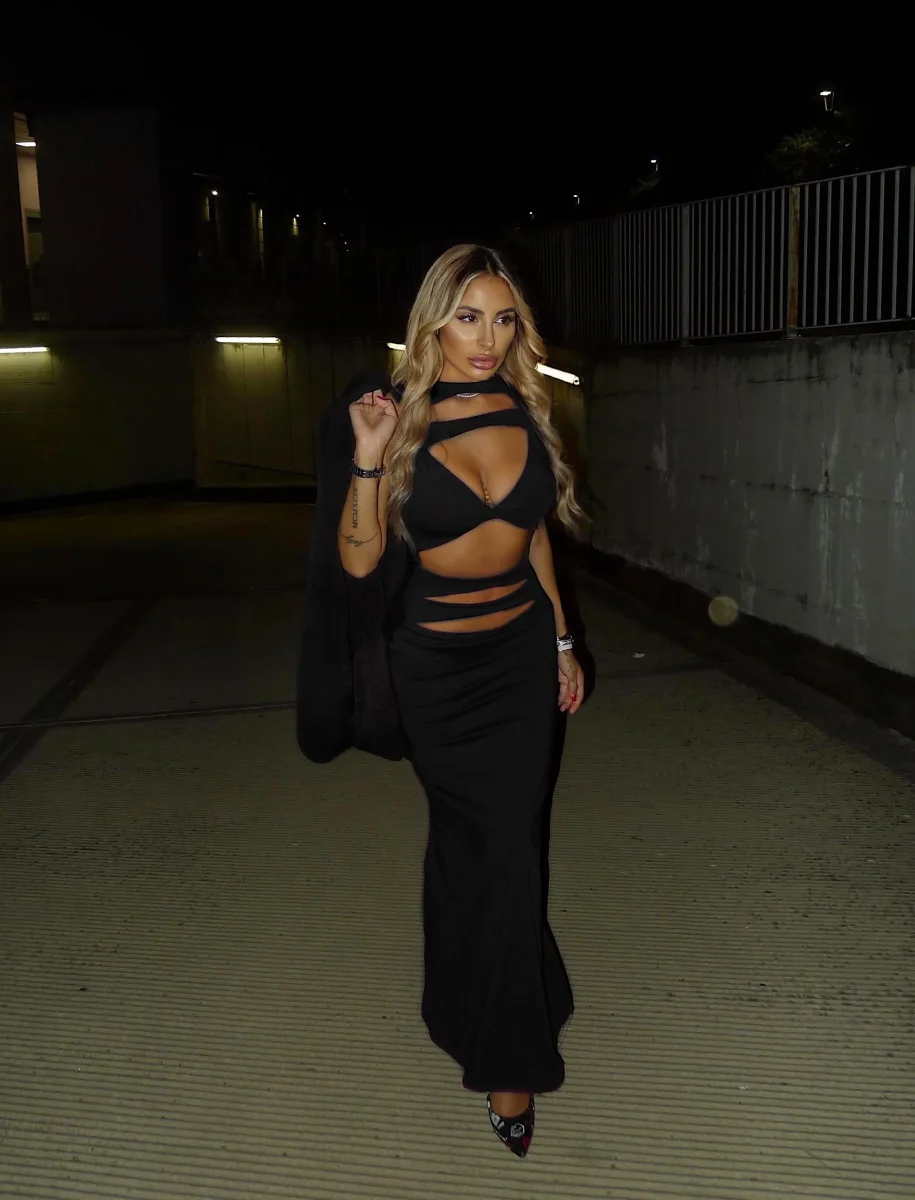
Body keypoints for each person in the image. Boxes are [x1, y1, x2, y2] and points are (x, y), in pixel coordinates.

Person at [337, 244, 585, 1158]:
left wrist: (561, 641)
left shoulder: (524, 404)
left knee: (508, 849)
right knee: (474, 846)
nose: (487, 338)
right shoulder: (393, 417)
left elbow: (533, 538)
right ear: (433, 322)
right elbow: (359, 560)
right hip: (436, 672)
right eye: (468, 317)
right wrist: (368, 459)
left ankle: (499, 1035)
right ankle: (486, 1029)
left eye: (503, 319)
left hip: (518, 659)